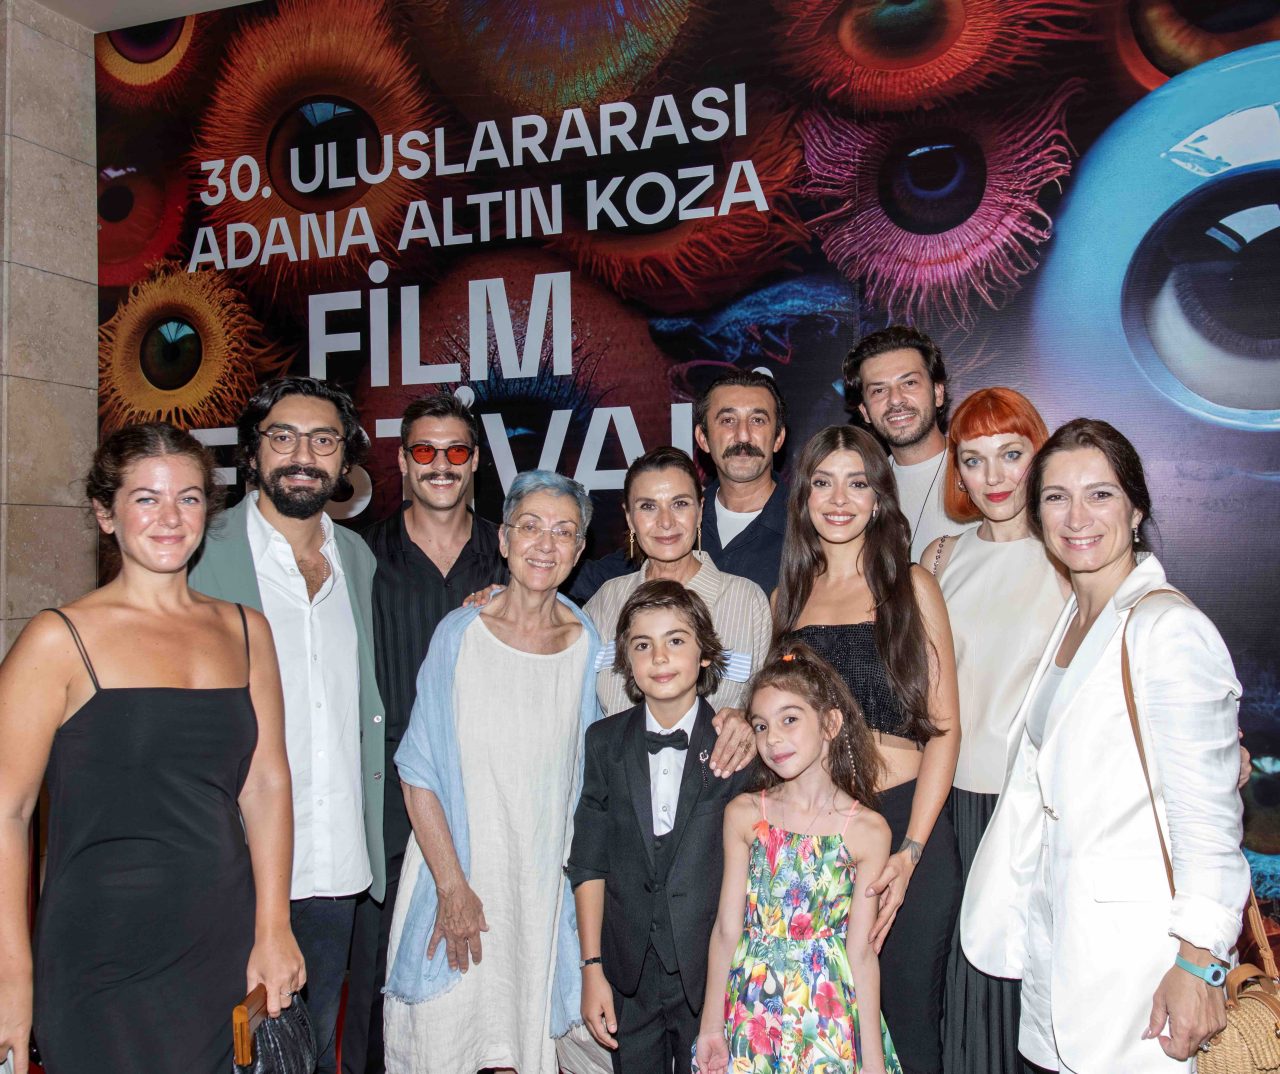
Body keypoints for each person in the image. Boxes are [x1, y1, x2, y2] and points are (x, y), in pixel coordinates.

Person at [0, 423, 303, 1074]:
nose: (170, 518)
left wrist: (274, 926)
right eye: (146, 498)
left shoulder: (245, 630)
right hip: (99, 953)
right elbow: (7, 812)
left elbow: (266, 786)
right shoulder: (57, 640)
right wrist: (10, 976)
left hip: (222, 942)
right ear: (104, 513)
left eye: (188, 498)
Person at [961, 419, 1249, 1073]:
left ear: (1136, 507)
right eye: (1056, 497)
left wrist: (1199, 965)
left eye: (1100, 494)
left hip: (1142, 970)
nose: (1076, 517)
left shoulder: (1169, 628)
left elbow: (1209, 824)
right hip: (1059, 957)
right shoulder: (1078, 616)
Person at [189, 377, 385, 1074]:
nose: (304, 455)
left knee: (301, 1055)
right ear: (251, 452)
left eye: (324, 439)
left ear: (345, 460)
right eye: (283, 436)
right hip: (226, 865)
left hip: (332, 865)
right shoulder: (199, 551)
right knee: (214, 1054)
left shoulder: (357, 559)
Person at [382, 471, 604, 1074]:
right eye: (530, 527)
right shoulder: (459, 635)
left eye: (564, 532)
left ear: (580, 550)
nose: (545, 544)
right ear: (503, 539)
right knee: (445, 1041)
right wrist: (452, 887)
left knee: (521, 1039)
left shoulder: (588, 646)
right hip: (458, 875)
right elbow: (418, 771)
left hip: (540, 889)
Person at [773, 424, 961, 1074]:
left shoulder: (912, 586)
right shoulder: (787, 599)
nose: (838, 499)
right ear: (803, 497)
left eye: (856, 483)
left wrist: (911, 851)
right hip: (823, 836)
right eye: (823, 483)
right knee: (830, 1026)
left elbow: (945, 730)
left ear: (879, 497)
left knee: (908, 1022)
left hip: (908, 825)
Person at [345, 391, 507, 1074]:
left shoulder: (513, 552)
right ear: (403, 463)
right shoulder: (359, 556)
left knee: (490, 964)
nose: (441, 464)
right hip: (386, 794)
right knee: (384, 970)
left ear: (475, 462)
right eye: (425, 451)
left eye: (456, 450)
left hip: (489, 786)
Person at [919, 388, 1068, 1074]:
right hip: (947, 801)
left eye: (1012, 453)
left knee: (1023, 987)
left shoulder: (1072, 554)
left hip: (1031, 808)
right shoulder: (942, 556)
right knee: (953, 985)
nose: (994, 476)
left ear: (1042, 454)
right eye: (973, 460)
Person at [570, 581, 754, 1073]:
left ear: (705, 654)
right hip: (628, 974)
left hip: (711, 974)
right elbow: (588, 861)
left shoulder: (738, 748)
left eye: (676, 640)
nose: (659, 657)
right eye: (642, 644)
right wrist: (592, 968)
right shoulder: (603, 742)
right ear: (626, 662)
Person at [696, 642, 901, 1074]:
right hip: (753, 1010)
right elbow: (727, 930)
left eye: (789, 719)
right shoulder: (744, 814)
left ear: (830, 723)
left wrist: (873, 1063)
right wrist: (711, 1025)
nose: (772, 738)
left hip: (827, 1020)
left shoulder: (868, 832)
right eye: (760, 725)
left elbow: (862, 954)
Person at [586, 446, 772, 727]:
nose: (666, 522)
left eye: (680, 504)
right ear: (629, 518)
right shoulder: (605, 602)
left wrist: (745, 719)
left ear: (700, 510)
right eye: (648, 506)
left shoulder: (746, 600)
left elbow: (767, 710)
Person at [571, 370, 789, 602]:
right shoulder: (676, 522)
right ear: (703, 438)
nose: (743, 436)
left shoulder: (805, 526)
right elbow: (585, 580)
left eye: (757, 420)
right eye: (728, 420)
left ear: (778, 438)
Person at [844, 325, 973, 561]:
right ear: (865, 411)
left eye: (909, 383)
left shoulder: (982, 473)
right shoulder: (862, 489)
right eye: (879, 390)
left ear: (938, 393)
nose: (895, 400)